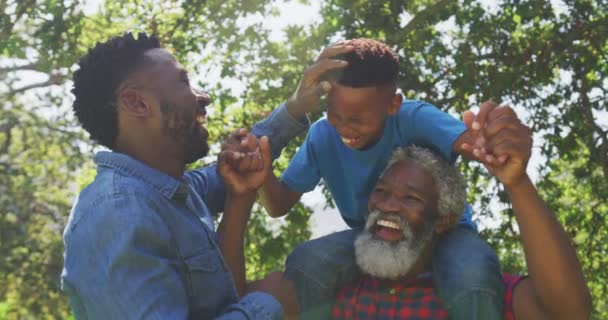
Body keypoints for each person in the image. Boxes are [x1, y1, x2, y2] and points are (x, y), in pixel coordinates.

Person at [60, 32, 344, 319]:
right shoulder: (118, 212)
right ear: (137, 103)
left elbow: (237, 166)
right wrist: (267, 305)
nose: (203, 96)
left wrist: (296, 105)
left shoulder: (169, 192)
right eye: (183, 82)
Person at [259, 38, 516, 319]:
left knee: (473, 274)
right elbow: (278, 204)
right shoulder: (322, 136)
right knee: (307, 262)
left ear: (393, 104)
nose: (345, 128)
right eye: (335, 115)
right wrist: (262, 168)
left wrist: (488, 137)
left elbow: (473, 144)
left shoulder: (414, 117)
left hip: (441, 233)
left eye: (357, 119)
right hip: (374, 232)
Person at [332, 140, 592, 319]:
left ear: (443, 220)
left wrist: (517, 182)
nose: (387, 205)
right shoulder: (334, 288)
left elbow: (568, 314)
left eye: (411, 198)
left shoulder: (477, 292)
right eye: (380, 191)